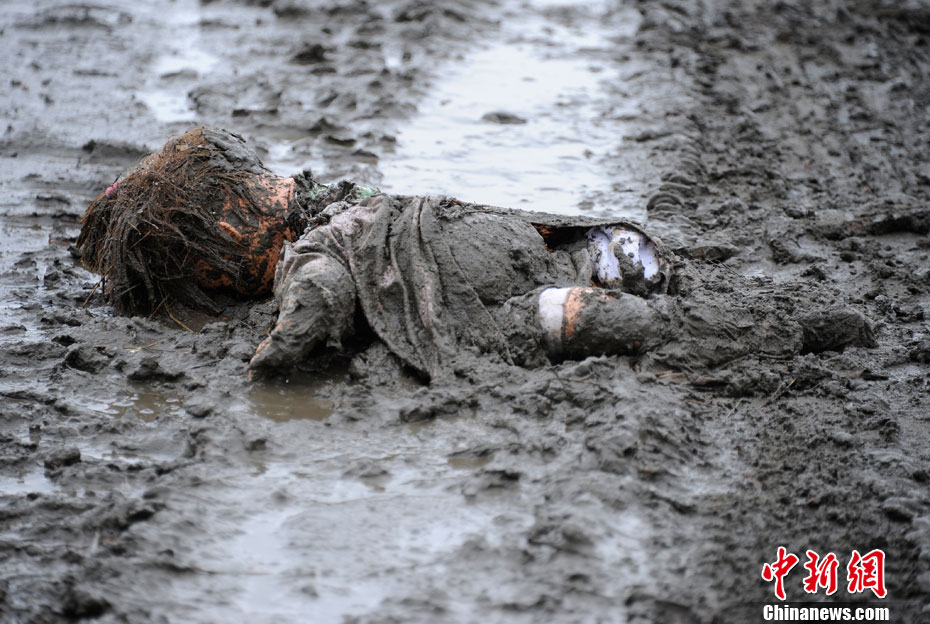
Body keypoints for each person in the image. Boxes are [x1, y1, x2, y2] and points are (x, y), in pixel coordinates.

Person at [78, 127, 875, 381]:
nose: (275, 180)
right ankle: (784, 328)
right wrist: (282, 345)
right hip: (492, 270)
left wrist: (271, 357)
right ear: (219, 255)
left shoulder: (324, 230)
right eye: (251, 188)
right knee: (585, 305)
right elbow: (319, 296)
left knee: (581, 299)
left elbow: (318, 296)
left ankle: (620, 272)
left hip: (495, 267)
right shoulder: (319, 241)